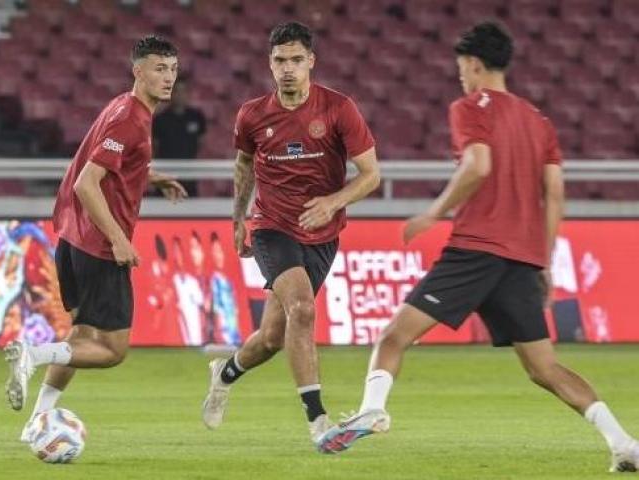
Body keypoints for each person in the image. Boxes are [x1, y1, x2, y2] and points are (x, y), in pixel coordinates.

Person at [316, 22, 639, 473]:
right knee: (545, 368)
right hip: (522, 259)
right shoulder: (539, 121)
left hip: (477, 249)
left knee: (394, 337)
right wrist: (542, 259)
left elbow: (478, 163)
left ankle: (373, 409)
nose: (461, 77)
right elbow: (556, 193)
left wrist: (434, 212)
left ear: (473, 64)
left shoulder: (470, 107)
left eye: (461, 69)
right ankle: (624, 442)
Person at [201, 21, 380, 449]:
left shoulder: (338, 109)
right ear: (269, 62)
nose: (287, 69)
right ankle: (319, 423)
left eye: (296, 60)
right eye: (280, 60)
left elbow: (371, 175)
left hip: (322, 233)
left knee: (270, 340)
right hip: (272, 227)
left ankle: (224, 373)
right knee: (302, 309)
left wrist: (333, 202)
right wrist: (238, 219)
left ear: (311, 62)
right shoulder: (253, 114)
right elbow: (244, 165)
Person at [3, 35, 187, 442]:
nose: (169, 77)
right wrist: (119, 239)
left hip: (72, 237)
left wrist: (149, 179)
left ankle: (38, 420)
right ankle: (32, 355)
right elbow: (89, 183)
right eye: (159, 68)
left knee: (81, 336)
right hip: (98, 245)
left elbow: (106, 165)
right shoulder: (130, 117)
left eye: (173, 69)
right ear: (137, 71)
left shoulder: (123, 106)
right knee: (112, 350)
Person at [152, 77, 207, 197]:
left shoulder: (197, 117)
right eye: (177, 91)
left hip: (189, 174)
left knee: (190, 211)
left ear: (188, 94)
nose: (180, 95)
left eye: (183, 91)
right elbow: (154, 147)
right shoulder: (160, 119)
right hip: (166, 174)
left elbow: (201, 143)